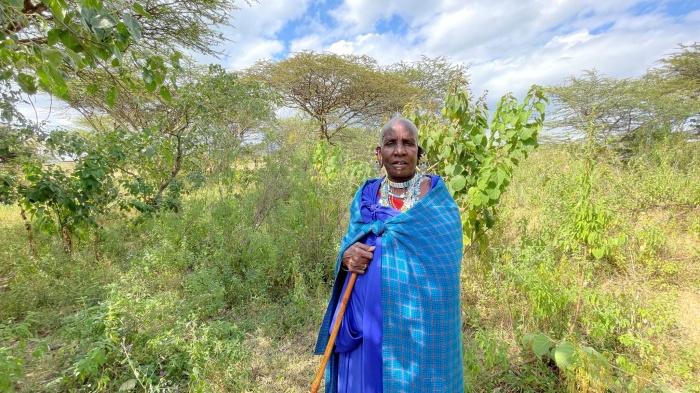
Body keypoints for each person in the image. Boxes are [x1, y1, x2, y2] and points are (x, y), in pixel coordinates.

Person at [314, 117, 464, 393]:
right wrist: (347, 257)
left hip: (418, 320)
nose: (399, 150)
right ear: (378, 153)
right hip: (367, 316)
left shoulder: (436, 198)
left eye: (408, 143)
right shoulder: (367, 195)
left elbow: (446, 267)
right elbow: (349, 244)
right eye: (390, 143)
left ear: (419, 153)